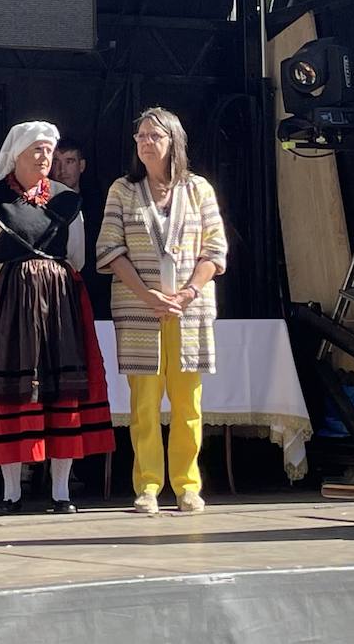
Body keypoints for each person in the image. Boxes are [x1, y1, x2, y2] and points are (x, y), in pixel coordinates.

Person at [0, 121, 114, 514]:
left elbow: (75, 257)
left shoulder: (66, 200)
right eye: (38, 151)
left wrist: (47, 284)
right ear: (17, 156)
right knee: (13, 393)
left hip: (59, 307)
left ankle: (62, 491)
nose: (46, 159)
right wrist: (8, 290)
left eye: (50, 151)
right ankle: (12, 492)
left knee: (63, 390)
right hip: (8, 307)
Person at [96, 107, 227, 515]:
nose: (145, 143)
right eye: (140, 137)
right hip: (140, 310)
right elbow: (110, 250)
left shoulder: (198, 189)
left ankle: (188, 485)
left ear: (174, 142)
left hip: (189, 311)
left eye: (154, 136)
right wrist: (148, 295)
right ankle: (148, 486)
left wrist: (188, 292)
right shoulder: (122, 189)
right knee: (145, 403)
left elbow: (215, 250)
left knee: (188, 405)